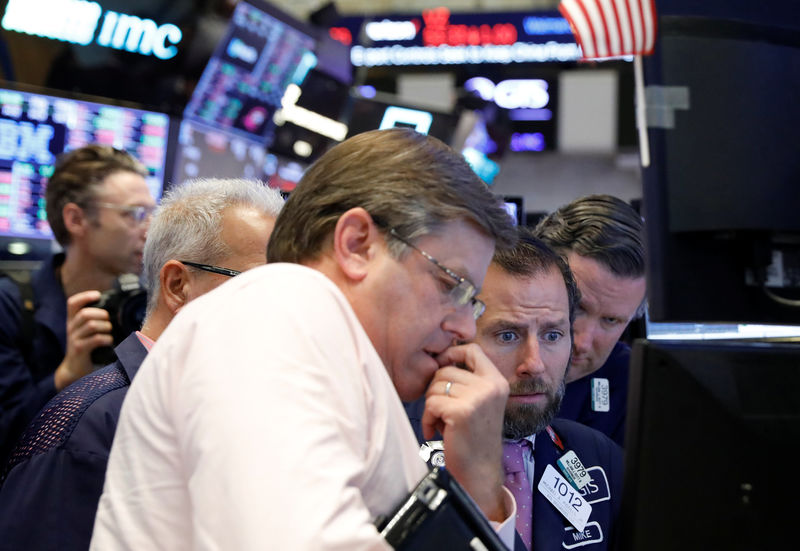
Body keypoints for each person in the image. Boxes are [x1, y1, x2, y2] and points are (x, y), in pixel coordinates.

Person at [90, 128, 519, 550]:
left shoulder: (315, 338)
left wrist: (479, 482)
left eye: (471, 301)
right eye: (451, 284)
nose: (465, 328)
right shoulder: (274, 311)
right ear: (356, 244)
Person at [0, 178, 284, 551]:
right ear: (178, 285)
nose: (283, 308)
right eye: (260, 285)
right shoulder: (89, 430)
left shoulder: (226, 412)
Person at [410, 230, 623, 550]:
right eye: (507, 335)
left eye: (553, 335)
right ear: (457, 337)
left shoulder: (597, 455)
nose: (534, 364)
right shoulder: (396, 447)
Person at [0, 145, 155, 463]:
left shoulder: (146, 305)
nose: (150, 229)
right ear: (76, 219)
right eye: (134, 214)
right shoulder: (9, 305)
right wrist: (66, 378)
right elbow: (5, 434)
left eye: (153, 214)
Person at [533, 194, 646, 446]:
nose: (582, 342)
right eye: (577, 307)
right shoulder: (459, 356)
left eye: (611, 320)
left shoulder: (636, 386)